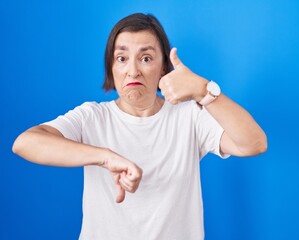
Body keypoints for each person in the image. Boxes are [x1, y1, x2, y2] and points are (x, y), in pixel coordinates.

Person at [12, 13, 267, 240]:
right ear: (111, 69)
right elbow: (25, 143)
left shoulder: (189, 116)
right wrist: (105, 158)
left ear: (164, 68)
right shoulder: (92, 117)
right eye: (121, 58)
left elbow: (254, 143)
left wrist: (203, 90)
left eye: (145, 58)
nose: (132, 70)